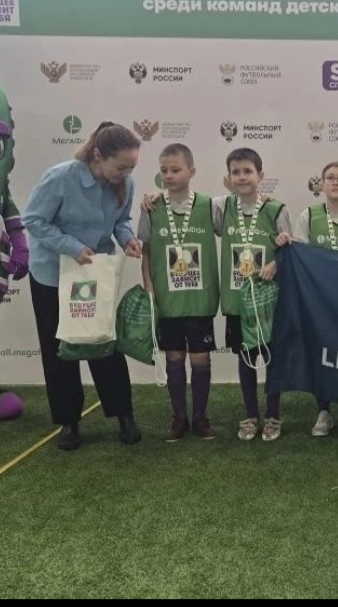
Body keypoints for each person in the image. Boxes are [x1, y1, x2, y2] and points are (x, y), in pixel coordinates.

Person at [22, 122, 144, 451]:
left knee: (104, 342)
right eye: (121, 167)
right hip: (52, 274)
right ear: (98, 155)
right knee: (59, 348)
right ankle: (68, 421)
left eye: (131, 168)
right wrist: (72, 247)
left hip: (94, 273)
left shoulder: (125, 183)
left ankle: (124, 414)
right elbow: (33, 220)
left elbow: (121, 220)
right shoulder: (61, 177)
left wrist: (127, 239)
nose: (126, 174)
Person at [273, 160, 338, 437]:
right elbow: (300, 255)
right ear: (322, 184)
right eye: (330, 177)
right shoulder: (309, 215)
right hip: (318, 300)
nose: (335, 182)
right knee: (321, 354)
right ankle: (324, 410)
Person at [137, 143, 219, 442]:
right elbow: (146, 251)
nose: (169, 175)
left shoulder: (210, 205)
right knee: (173, 357)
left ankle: (200, 417)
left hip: (199, 300)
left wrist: (266, 198)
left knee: (200, 359)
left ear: (191, 171)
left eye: (175, 169)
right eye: (164, 170)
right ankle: (179, 417)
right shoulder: (152, 207)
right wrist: (148, 285)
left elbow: (241, 217)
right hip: (167, 300)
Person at [217, 148, 293, 442]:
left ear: (260, 175)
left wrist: (276, 263)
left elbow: (288, 249)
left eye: (247, 171)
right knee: (246, 359)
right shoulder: (221, 207)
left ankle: (273, 415)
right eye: (235, 172)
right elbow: (186, 203)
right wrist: (155, 197)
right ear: (228, 178)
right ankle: (250, 415)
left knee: (271, 359)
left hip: (268, 303)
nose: (241, 177)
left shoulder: (276, 210)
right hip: (239, 302)